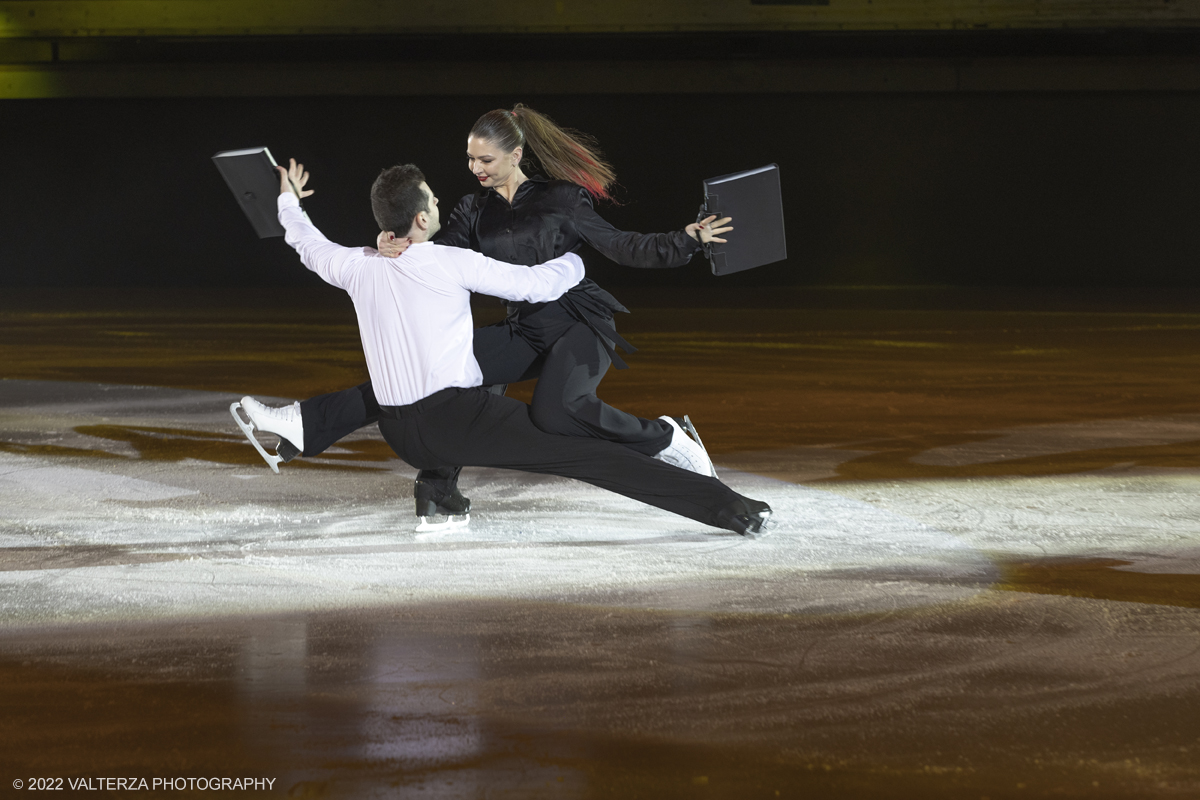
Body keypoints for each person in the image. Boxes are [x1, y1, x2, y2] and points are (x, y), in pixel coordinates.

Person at [236, 103, 732, 527]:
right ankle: (436, 489)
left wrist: (685, 240)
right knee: (438, 384)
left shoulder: (563, 198)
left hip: (578, 322)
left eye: (486, 158)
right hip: (526, 325)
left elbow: (623, 246)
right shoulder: (473, 210)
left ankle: (666, 436)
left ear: (516, 156)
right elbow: (436, 257)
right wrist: (398, 240)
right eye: (470, 157)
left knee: (559, 413)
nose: (475, 167)